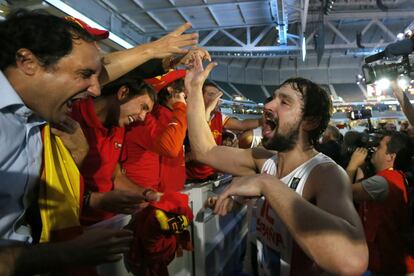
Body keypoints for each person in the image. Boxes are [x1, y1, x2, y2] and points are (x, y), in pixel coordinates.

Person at [0, 9, 197, 274]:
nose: (95, 89)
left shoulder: (41, 120)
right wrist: (64, 254)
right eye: (84, 74)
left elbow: (30, 207)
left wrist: (97, 201)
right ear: (28, 63)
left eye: (96, 76)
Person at [184, 54, 368, 275]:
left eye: (284, 102)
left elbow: (352, 261)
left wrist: (266, 184)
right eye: (272, 98)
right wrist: (194, 90)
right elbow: (205, 151)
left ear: (309, 121)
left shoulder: (326, 174)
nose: (268, 105)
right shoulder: (264, 159)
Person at [122, 69, 193, 275]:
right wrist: (180, 69)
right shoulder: (155, 116)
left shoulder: (167, 115)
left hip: (160, 200)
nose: (185, 100)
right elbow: (169, 147)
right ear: (171, 91)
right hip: (144, 203)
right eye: (183, 94)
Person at [346, 132, 414, 274]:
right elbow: (362, 193)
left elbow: (343, 193)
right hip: (392, 262)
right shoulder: (396, 176)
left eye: (379, 147)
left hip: (391, 265)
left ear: (391, 156)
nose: (374, 150)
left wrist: (352, 164)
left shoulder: (382, 182)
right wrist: (362, 167)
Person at [185, 80, 261, 182]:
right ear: (199, 97)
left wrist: (263, 121)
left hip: (211, 173)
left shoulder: (219, 117)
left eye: (218, 96)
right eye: (211, 94)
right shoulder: (190, 116)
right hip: (190, 175)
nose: (216, 99)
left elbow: (242, 125)